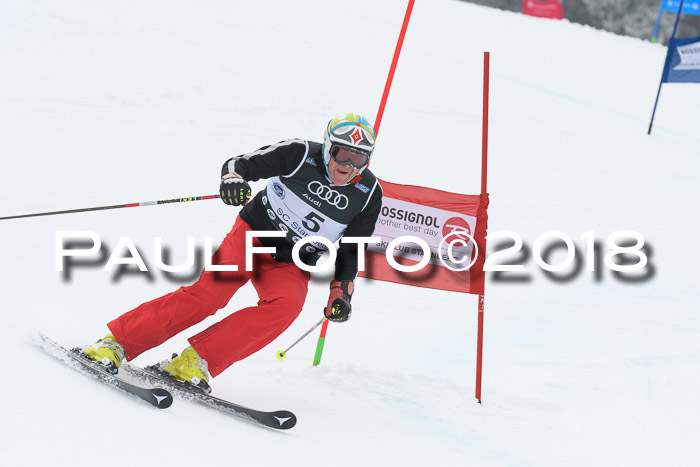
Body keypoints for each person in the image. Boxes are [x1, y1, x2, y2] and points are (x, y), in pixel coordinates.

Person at [83, 113, 383, 393]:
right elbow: (239, 164)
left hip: (292, 262)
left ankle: (193, 362)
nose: (349, 165)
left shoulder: (369, 194)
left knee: (286, 307)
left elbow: (352, 247)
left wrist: (341, 290)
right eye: (342, 154)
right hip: (253, 235)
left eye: (360, 158)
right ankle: (116, 343)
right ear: (328, 147)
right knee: (210, 295)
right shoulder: (298, 154)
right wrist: (233, 181)